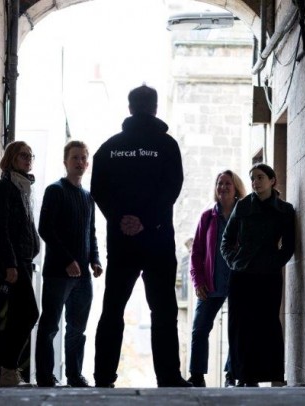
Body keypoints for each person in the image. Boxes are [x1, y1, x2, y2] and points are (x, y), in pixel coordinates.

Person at [90, 85, 191, 388]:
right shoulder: (167, 146)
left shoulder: (109, 148)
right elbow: (172, 188)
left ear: (131, 108)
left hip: (122, 242)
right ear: (155, 108)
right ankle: (169, 377)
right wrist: (146, 221)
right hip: (158, 240)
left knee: (112, 309)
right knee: (163, 311)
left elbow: (99, 190)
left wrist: (122, 219)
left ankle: (104, 377)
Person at [35, 141, 103, 388]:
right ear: (65, 161)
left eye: (84, 158)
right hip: (57, 273)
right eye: (75, 157)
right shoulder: (55, 191)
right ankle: (45, 376)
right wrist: (68, 260)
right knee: (50, 325)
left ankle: (74, 375)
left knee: (77, 329)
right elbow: (45, 229)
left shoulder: (88, 197)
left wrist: (94, 260)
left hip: (83, 276)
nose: (80, 162)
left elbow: (91, 233)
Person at [220, 163, 295, 387]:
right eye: (252, 178)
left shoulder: (285, 210)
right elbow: (226, 241)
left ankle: (271, 374)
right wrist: (235, 262)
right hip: (241, 275)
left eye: (260, 177)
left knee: (268, 323)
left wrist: (274, 263)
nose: (255, 182)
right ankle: (244, 376)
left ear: (272, 181)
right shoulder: (242, 206)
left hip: (268, 276)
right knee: (240, 325)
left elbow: (289, 246)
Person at [187, 170, 246, 388]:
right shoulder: (207, 217)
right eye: (219, 183)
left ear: (236, 187)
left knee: (237, 328)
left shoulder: (244, 214)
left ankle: (233, 375)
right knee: (200, 328)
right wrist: (197, 281)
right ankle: (196, 376)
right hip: (211, 283)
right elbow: (196, 253)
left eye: (227, 183)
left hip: (238, 280)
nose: (222, 187)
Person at [0, 141, 40, 387]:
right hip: (15, 262)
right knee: (31, 312)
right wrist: (9, 263)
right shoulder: (5, 187)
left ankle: (8, 373)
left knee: (19, 316)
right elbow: (0, 228)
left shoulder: (23, 189)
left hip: (24, 261)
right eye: (23, 155)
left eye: (31, 156)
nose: (28, 159)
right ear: (11, 157)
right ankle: (8, 369)